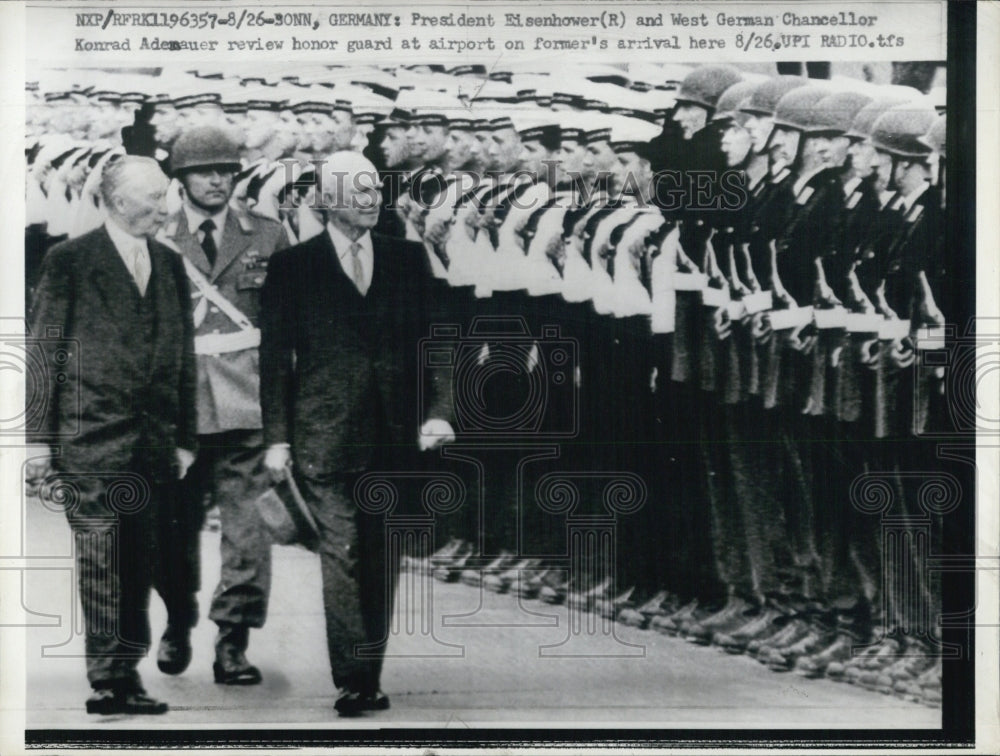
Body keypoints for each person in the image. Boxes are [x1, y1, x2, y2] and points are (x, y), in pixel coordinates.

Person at [258, 150, 455, 716]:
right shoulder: (294, 267)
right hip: (323, 435)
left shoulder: (407, 259)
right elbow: (276, 359)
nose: (371, 199)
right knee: (340, 552)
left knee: (381, 556)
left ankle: (368, 668)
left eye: (375, 188)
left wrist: (440, 410)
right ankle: (353, 678)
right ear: (326, 201)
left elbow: (436, 341)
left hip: (394, 435)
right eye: (357, 190)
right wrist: (278, 437)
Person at [26, 155, 197, 715]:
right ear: (119, 201)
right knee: (101, 555)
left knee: (138, 559)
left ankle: (126, 669)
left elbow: (184, 356)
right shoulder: (70, 261)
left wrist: (185, 436)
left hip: (152, 442)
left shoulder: (169, 265)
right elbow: (43, 356)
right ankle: (108, 677)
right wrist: (36, 443)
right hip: (90, 438)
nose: (164, 206)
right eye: (154, 197)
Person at [154, 125, 290, 684]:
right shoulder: (156, 235)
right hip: (178, 404)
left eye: (225, 170)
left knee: (248, 530)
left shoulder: (267, 235)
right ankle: (178, 617)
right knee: (170, 527)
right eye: (203, 171)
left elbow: (284, 330)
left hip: (247, 400)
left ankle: (232, 637)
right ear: (180, 177)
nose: (216, 179)